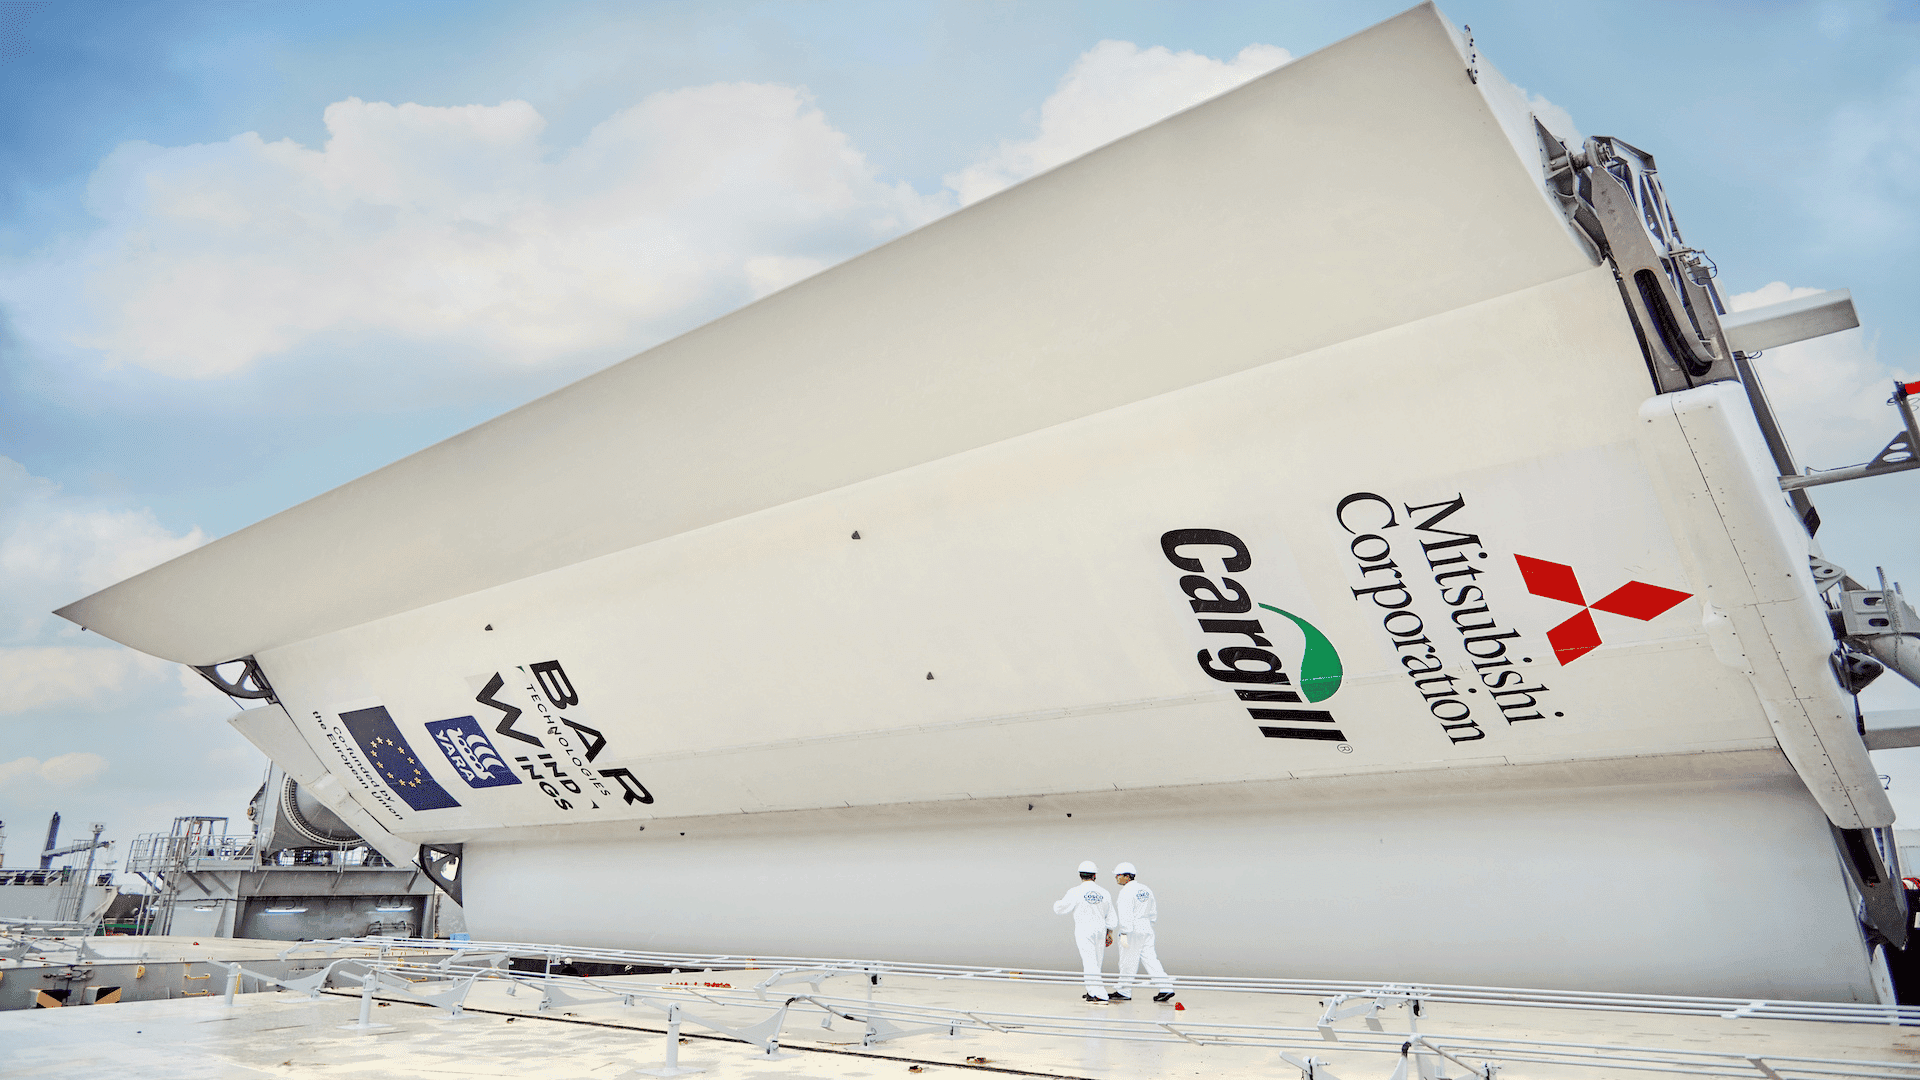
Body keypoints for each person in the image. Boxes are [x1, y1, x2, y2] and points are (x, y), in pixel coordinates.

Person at [1052, 859, 1117, 1002]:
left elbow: (1060, 908)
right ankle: (1092, 991)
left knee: (1089, 961)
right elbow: (1110, 914)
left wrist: (1056, 903)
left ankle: (1100, 994)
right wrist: (1110, 932)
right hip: (1100, 930)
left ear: (1080, 875)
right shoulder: (1104, 892)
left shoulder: (1075, 891)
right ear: (1095, 876)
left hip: (1084, 930)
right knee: (1097, 961)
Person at [1110, 861, 1174, 1002]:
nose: (1116, 878)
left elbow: (1125, 914)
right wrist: (1147, 924)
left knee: (1127, 961)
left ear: (1127, 876)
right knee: (1151, 959)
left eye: (1118, 875)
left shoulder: (1125, 892)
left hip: (1131, 931)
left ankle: (1124, 991)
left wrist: (1125, 933)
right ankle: (1166, 988)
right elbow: (1153, 911)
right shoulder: (1145, 889)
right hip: (1147, 929)